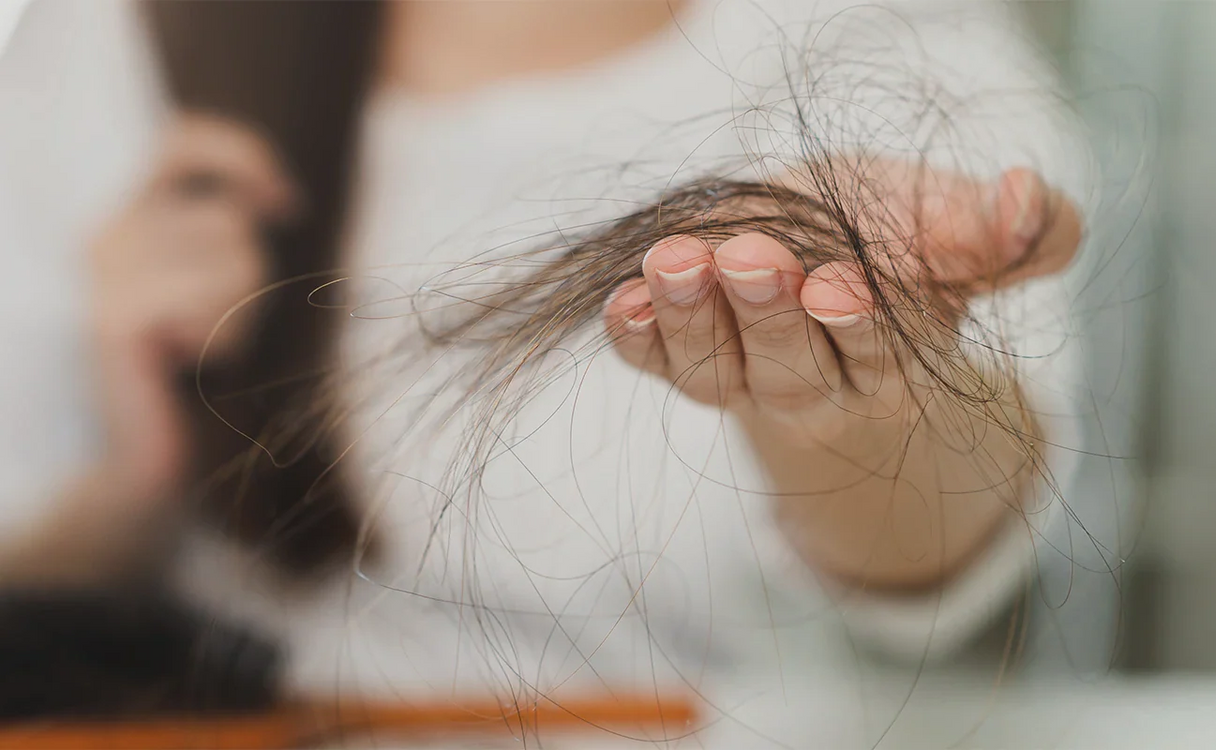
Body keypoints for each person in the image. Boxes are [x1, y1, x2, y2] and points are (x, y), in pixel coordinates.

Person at [0, 0, 1095, 745]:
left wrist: (853, 405)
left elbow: (949, 562)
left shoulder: (892, 44)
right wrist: (138, 468)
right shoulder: (123, 43)